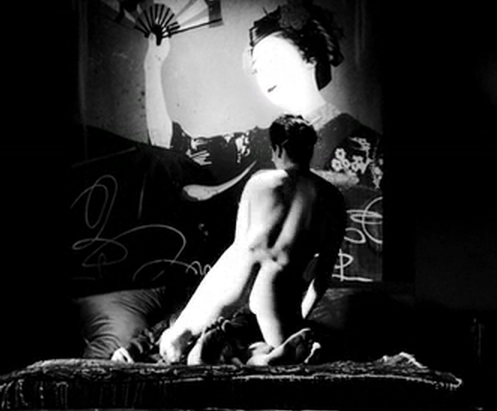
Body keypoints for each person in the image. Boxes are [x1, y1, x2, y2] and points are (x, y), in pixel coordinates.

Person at [142, 0, 383, 282]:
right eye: (257, 68)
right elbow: (171, 146)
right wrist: (152, 66)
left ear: (309, 58)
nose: (264, 74)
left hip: (345, 281)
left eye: (273, 59)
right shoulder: (258, 144)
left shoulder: (369, 146)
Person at [117, 114, 345, 365]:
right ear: (309, 148)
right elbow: (322, 276)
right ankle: (266, 356)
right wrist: (300, 319)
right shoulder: (332, 198)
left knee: (183, 336)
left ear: (278, 149)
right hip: (278, 285)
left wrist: (186, 321)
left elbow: (238, 250)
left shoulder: (260, 182)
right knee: (279, 351)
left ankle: (190, 344)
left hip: (240, 276)